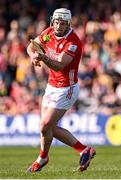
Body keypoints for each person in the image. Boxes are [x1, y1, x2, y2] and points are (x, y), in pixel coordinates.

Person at [26, 8, 96, 173]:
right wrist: (33, 57)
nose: (58, 26)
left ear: (68, 24)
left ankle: (82, 149)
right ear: (53, 21)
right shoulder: (49, 32)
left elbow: (59, 66)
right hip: (51, 85)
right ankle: (43, 157)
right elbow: (31, 46)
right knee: (44, 128)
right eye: (57, 22)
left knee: (45, 125)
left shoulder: (73, 42)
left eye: (63, 23)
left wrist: (43, 58)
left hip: (67, 88)